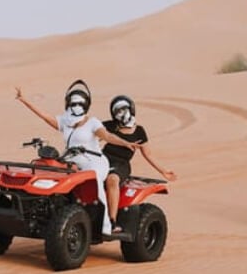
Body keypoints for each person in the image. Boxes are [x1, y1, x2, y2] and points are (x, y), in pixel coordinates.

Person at [14, 80, 142, 237]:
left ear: (86, 104)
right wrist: (24, 100)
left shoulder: (93, 123)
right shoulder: (65, 122)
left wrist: (125, 143)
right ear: (68, 103)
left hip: (93, 161)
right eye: (74, 103)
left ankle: (108, 223)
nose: (77, 106)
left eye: (80, 103)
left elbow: (107, 136)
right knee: (50, 172)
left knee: (94, 180)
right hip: (71, 160)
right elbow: (45, 116)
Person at [102, 95, 177, 233]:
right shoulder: (110, 126)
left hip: (120, 164)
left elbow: (148, 154)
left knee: (112, 180)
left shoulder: (139, 132)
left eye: (124, 109)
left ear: (131, 109)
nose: (121, 113)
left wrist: (163, 171)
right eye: (117, 111)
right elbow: (91, 129)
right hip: (102, 159)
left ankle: (111, 221)